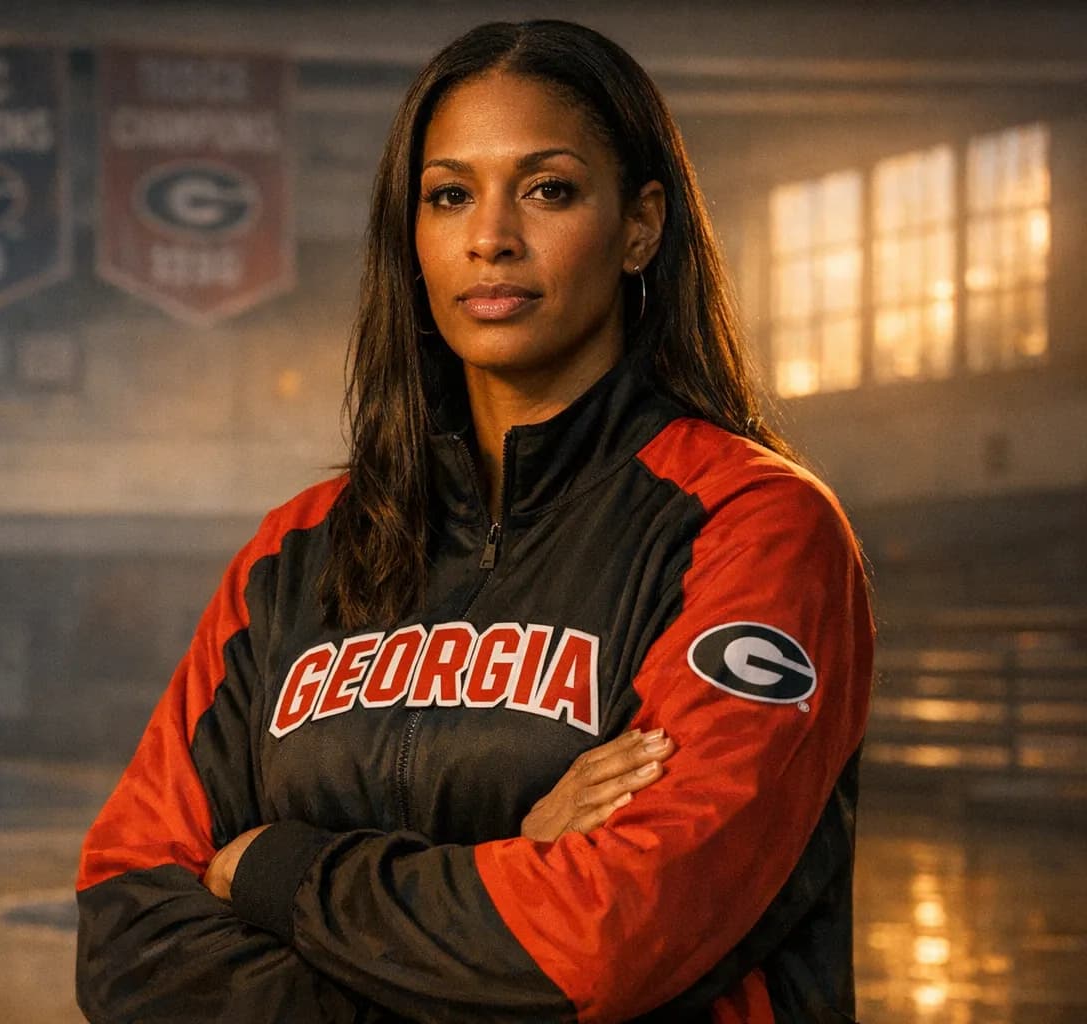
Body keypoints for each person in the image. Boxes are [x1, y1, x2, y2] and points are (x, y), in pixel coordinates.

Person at [76, 18, 873, 1024]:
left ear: (641, 223)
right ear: (411, 237)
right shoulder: (294, 553)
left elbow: (604, 940)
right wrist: (504, 869)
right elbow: (125, 928)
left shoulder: (753, 528)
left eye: (549, 189)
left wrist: (275, 866)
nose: (489, 237)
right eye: (449, 195)